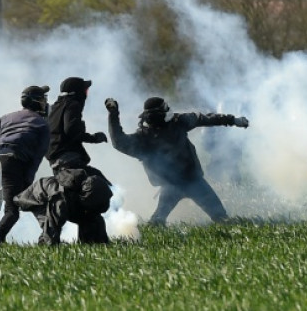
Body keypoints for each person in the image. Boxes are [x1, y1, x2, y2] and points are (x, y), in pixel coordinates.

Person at [105, 96, 248, 225]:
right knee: (220, 217)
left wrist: (113, 114)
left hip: (182, 183)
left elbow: (118, 142)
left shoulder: (146, 136)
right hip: (183, 184)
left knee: (158, 221)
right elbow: (205, 118)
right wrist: (233, 120)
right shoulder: (175, 123)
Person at [0, 85, 51, 241]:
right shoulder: (42, 124)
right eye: (42, 99)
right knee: (12, 211)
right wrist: (28, 179)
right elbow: (38, 156)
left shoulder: (7, 117)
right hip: (13, 163)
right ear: (36, 102)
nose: (45, 103)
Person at [13, 164, 113, 245]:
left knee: (91, 217)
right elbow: (52, 225)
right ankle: (44, 250)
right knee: (49, 228)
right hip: (38, 200)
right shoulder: (60, 199)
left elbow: (94, 214)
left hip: (63, 198)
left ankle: (90, 244)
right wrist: (52, 247)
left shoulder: (85, 190)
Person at [46, 77, 107, 170]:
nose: (87, 93)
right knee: (100, 183)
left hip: (55, 159)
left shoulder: (55, 107)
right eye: (85, 90)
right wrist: (94, 138)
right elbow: (71, 130)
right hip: (67, 158)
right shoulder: (72, 105)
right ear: (78, 92)